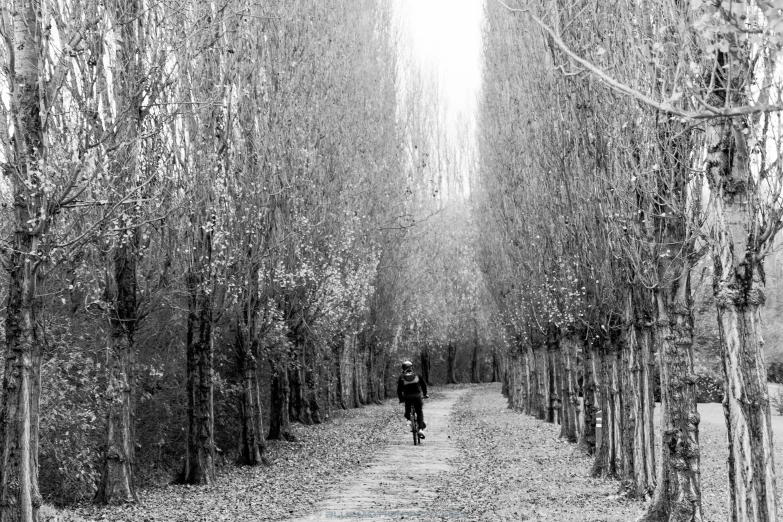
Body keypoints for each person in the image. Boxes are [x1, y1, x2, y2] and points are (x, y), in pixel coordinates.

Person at [397, 360, 429, 439]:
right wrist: (425, 394)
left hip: (407, 398)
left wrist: (401, 399)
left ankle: (409, 420)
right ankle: (421, 429)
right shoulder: (417, 375)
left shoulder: (401, 377)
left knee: (407, 412)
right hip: (417, 397)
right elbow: (423, 385)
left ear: (403, 368)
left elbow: (399, 390)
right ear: (411, 367)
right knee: (419, 412)